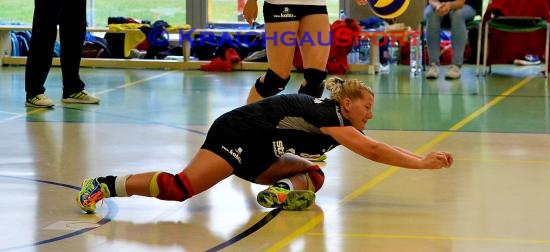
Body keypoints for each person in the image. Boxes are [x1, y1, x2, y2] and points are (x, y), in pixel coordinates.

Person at [76, 77, 454, 214]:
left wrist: (421, 158)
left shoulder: (339, 124)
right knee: (180, 189)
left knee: (313, 174)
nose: (370, 116)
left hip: (263, 150)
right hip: (237, 134)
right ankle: (103, 185)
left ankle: (281, 192)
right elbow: (372, 150)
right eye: (367, 108)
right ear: (348, 104)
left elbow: (372, 144)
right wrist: (421, 163)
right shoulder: (329, 114)